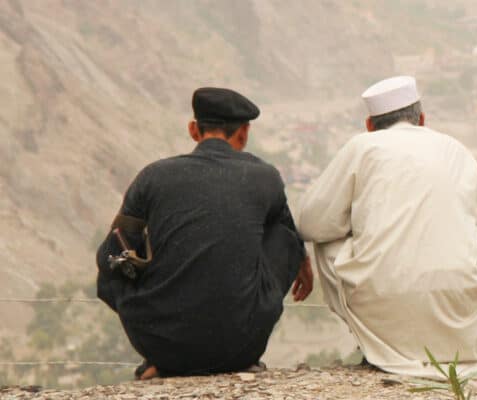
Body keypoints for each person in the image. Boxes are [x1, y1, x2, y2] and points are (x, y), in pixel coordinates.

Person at [298, 76, 477, 378]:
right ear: (422, 119)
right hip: (457, 301)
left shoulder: (363, 146)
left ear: (370, 125)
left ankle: (376, 344)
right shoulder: (456, 150)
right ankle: (474, 342)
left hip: (381, 297)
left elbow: (312, 223)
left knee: (326, 242)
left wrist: (357, 226)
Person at [95, 87, 313, 380]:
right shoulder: (265, 177)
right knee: (283, 234)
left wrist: (134, 306)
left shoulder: (153, 176)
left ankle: (164, 360)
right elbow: (287, 239)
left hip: (161, 344)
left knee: (115, 253)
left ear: (193, 130)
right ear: (244, 133)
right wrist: (301, 259)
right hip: (241, 347)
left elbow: (110, 259)